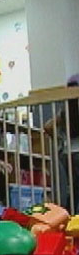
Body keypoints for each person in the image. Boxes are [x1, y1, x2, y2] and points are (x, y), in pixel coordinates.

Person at [45, 74, 79, 211]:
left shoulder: (65, 110)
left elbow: (47, 126)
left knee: (74, 188)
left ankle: (70, 216)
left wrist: (59, 141)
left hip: (67, 153)